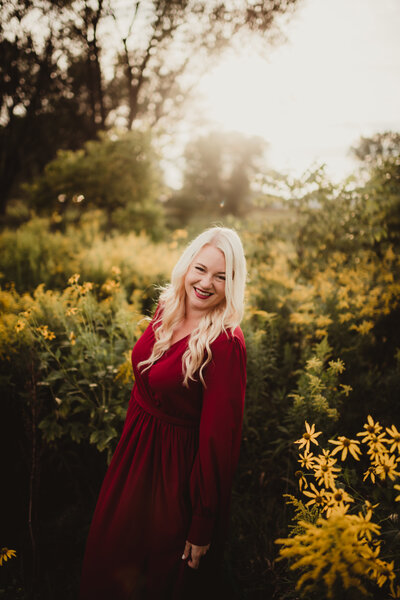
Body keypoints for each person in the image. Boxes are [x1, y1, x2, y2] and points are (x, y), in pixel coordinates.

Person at [79, 226, 247, 599]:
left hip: (175, 474)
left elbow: (220, 439)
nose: (205, 283)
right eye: (200, 269)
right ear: (187, 265)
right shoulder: (168, 306)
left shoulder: (225, 343)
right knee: (108, 560)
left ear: (232, 283)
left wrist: (202, 521)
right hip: (134, 454)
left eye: (221, 276)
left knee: (154, 578)